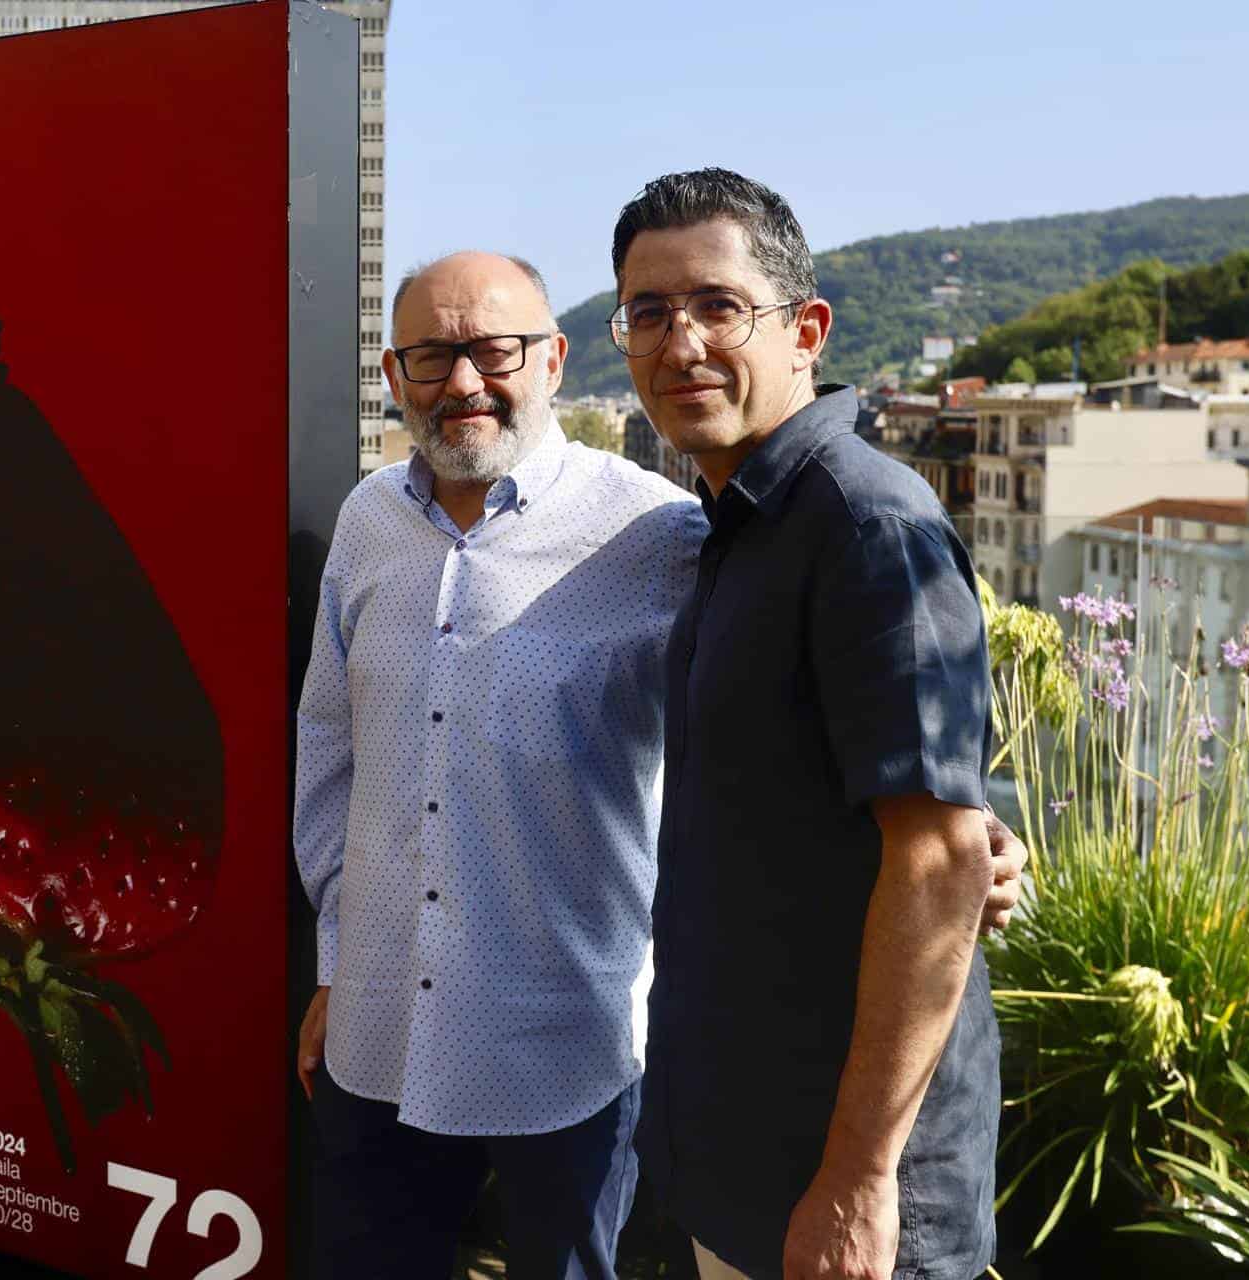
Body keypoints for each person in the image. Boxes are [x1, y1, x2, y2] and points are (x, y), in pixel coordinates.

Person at [292, 251, 1023, 1279]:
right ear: (392, 372)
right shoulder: (367, 523)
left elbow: (785, 710)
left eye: (492, 350)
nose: (462, 381)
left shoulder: (657, 533)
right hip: (376, 1027)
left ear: (551, 358)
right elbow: (330, 745)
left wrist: (961, 828)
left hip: (568, 1046)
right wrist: (335, 958)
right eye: (432, 355)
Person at [615, 168, 1002, 1280]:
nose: (680, 341)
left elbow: (937, 859)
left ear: (806, 331)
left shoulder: (862, 522)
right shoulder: (737, 525)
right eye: (648, 311)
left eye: (718, 306)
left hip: (839, 1184)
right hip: (742, 1156)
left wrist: (860, 1177)